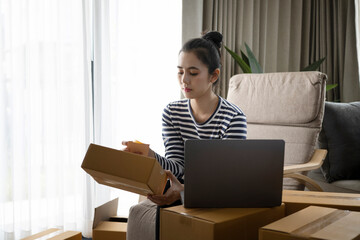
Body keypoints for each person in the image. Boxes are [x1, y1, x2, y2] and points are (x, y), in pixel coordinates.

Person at [123, 31, 247, 240]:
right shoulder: (172, 112)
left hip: (218, 195)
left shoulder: (233, 117)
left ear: (213, 76)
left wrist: (183, 192)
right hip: (185, 189)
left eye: (193, 73)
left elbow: (226, 180)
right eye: (180, 72)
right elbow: (178, 165)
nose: (184, 80)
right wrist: (151, 157)